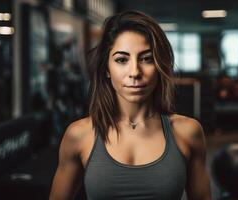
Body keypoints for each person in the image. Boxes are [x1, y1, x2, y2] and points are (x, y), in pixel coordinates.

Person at [49, 10, 212, 200]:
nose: (134, 71)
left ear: (159, 67)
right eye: (121, 60)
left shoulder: (187, 132)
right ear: (107, 69)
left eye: (146, 59)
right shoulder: (79, 135)